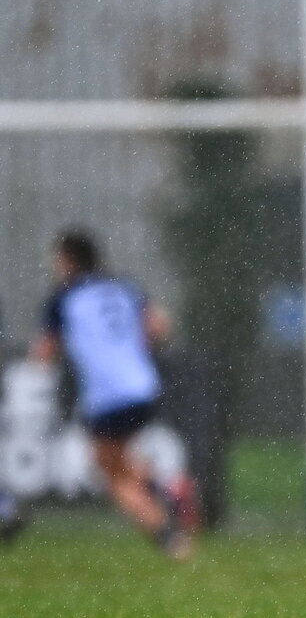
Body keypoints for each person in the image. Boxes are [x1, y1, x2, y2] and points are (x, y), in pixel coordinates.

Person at [31, 229, 192, 560]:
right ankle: (167, 489)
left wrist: (52, 354)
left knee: (111, 477)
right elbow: (160, 326)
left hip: (106, 394)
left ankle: (169, 539)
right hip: (143, 385)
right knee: (120, 463)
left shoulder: (64, 297)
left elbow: (44, 353)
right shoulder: (124, 286)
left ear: (67, 260)